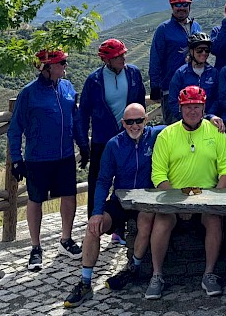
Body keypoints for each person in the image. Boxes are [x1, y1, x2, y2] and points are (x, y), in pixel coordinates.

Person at [63, 103, 160, 307]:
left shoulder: (156, 135)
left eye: (139, 120)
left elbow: (186, 121)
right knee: (93, 229)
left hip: (145, 200)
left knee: (145, 223)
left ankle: (132, 268)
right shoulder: (113, 145)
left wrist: (212, 117)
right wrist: (97, 213)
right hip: (120, 201)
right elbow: (103, 180)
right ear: (123, 123)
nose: (135, 125)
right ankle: (85, 282)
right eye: (130, 122)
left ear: (146, 121)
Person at [147, 86, 226, 300]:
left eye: (197, 106)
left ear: (204, 108)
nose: (192, 111)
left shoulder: (216, 131)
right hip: (174, 196)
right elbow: (158, 174)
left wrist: (214, 196)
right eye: (188, 107)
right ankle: (157, 275)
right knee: (161, 221)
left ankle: (209, 274)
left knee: (214, 221)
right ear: (180, 108)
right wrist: (178, 202)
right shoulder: (167, 135)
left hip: (208, 195)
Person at [7, 49, 83, 271]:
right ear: (48, 68)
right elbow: (15, 128)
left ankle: (66, 240)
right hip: (38, 158)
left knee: (69, 196)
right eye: (62, 63)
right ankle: (35, 247)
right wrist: (16, 159)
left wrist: (83, 145)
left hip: (65, 155)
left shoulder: (68, 87)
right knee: (35, 200)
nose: (66, 66)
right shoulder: (28, 93)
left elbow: (75, 119)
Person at [77, 38, 146, 221]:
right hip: (102, 140)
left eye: (123, 54)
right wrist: (83, 145)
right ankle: (95, 220)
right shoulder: (94, 80)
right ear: (106, 60)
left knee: (130, 179)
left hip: (128, 137)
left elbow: (140, 105)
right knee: (98, 181)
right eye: (118, 57)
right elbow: (83, 113)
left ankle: (125, 223)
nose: (123, 59)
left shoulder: (133, 74)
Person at [149, 0, 201, 123]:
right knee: (174, 129)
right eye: (177, 5)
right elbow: (155, 58)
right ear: (172, 6)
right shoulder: (163, 29)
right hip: (171, 89)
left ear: (190, 6)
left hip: (194, 88)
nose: (181, 8)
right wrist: (155, 85)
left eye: (185, 4)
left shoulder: (196, 27)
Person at [166, 32, 219, 125]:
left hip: (209, 121)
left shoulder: (213, 73)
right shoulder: (181, 73)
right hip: (185, 121)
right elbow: (173, 100)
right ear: (191, 51)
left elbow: (217, 98)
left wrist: (209, 116)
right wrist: (185, 118)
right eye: (199, 50)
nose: (204, 53)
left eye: (206, 50)